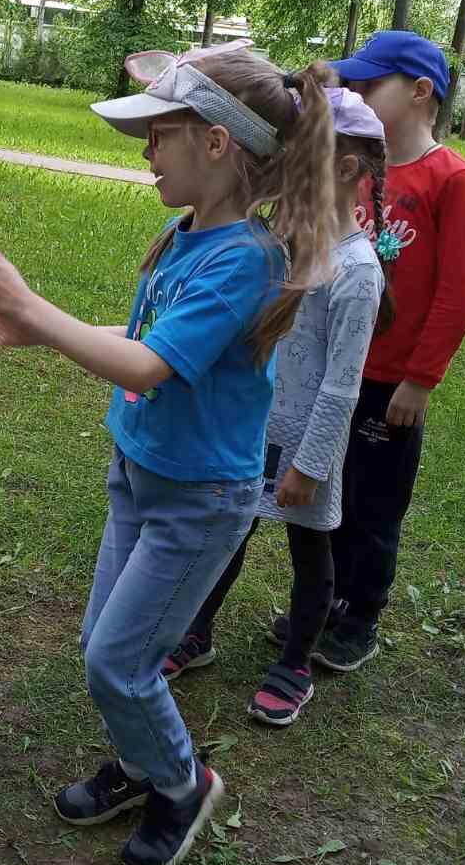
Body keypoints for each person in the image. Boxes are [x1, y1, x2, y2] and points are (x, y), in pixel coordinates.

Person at [0, 41, 340, 865]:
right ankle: (139, 763)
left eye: (158, 134)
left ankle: (181, 783)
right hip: (139, 477)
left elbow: (148, 368)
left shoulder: (245, 261)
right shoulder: (184, 236)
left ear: (215, 143)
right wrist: (36, 330)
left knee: (116, 662)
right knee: (107, 645)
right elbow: (139, 342)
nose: (145, 152)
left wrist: (34, 306)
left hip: (199, 502)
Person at [161, 84, 396, 726]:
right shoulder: (286, 241)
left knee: (310, 552)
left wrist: (310, 465)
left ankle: (295, 662)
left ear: (345, 168)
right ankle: (197, 631)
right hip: (253, 429)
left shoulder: (357, 273)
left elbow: (342, 385)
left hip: (306, 446)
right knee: (231, 533)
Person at [294, 31, 465, 672]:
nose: (358, 93)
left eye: (371, 85)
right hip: (335, 371)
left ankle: (359, 616)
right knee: (324, 493)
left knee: (374, 506)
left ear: (421, 92)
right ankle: (319, 603)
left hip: (392, 384)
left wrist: (420, 380)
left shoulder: (450, 179)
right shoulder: (358, 167)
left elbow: (458, 293)